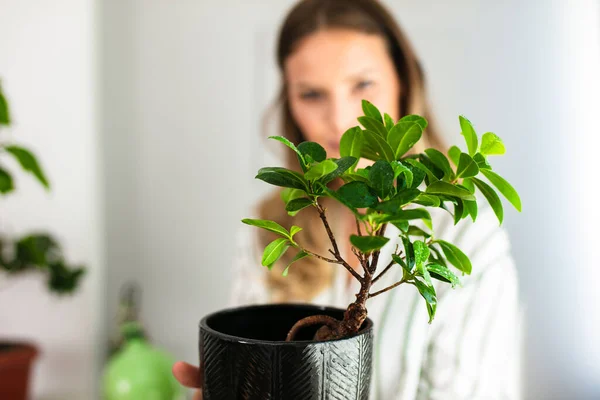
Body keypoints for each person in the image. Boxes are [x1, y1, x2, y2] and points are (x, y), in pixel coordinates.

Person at [173, 0, 521, 399]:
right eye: (312, 94)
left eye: (363, 85)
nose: (339, 119)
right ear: (290, 104)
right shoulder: (269, 230)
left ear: (404, 83)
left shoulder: (463, 234)